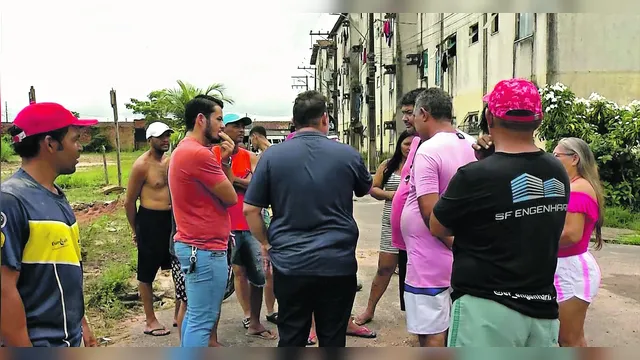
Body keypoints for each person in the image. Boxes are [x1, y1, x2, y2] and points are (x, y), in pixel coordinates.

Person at [429, 78, 570, 347]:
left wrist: (485, 164)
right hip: (542, 309)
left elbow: (438, 226)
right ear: (538, 120)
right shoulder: (557, 170)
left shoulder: (474, 176)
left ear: (489, 117)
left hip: (486, 309)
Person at [243, 90, 373, 347]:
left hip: (290, 265)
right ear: (325, 119)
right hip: (337, 264)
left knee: (291, 336)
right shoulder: (347, 154)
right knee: (333, 338)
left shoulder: (272, 156)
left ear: (294, 121)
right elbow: (365, 188)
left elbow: (250, 209)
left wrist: (267, 244)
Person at [0, 102, 97, 347]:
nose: (80, 147)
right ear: (51, 144)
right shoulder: (11, 201)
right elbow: (3, 289)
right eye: (75, 139)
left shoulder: (56, 195)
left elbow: (66, 271)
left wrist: (82, 324)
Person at [399, 88, 477, 347]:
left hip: (430, 259)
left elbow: (431, 214)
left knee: (432, 331)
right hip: (462, 256)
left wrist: (458, 245)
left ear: (424, 113)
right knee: (457, 326)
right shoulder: (470, 142)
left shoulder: (429, 150)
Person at [168, 94, 238, 347]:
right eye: (218, 119)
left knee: (196, 315)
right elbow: (230, 197)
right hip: (205, 248)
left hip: (196, 245)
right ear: (201, 119)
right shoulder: (199, 154)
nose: (222, 126)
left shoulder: (183, 151)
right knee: (202, 319)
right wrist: (227, 162)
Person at [212, 113, 277, 340]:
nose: (241, 130)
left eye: (243, 126)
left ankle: (256, 321)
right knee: (234, 274)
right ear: (223, 129)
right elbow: (218, 187)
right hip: (223, 225)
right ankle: (247, 315)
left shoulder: (251, 156)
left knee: (259, 274)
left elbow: (258, 187)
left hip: (250, 224)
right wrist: (242, 181)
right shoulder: (212, 155)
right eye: (235, 126)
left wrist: (232, 180)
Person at [354, 130, 416, 326]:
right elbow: (373, 189)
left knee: (416, 272)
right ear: (399, 144)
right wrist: (394, 196)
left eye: (413, 144)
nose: (409, 148)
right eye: (406, 143)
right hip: (391, 224)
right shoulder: (388, 165)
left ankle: (416, 316)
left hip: (417, 227)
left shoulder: (423, 162)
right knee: (385, 268)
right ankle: (369, 310)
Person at [124, 121, 174, 337]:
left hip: (171, 220)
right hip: (150, 221)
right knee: (146, 273)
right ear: (150, 139)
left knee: (178, 266)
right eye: (161, 136)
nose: (165, 140)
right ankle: (150, 320)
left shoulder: (170, 162)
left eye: (167, 136)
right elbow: (129, 202)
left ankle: (178, 315)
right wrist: (136, 230)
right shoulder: (141, 165)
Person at [553, 137, 604, 347]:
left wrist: (533, 240)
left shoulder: (578, 189)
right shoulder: (573, 186)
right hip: (565, 268)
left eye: (557, 156)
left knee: (569, 339)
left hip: (572, 271)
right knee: (568, 337)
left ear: (574, 159)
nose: (553, 160)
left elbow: (571, 235)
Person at [389, 88, 426, 315]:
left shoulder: (430, 146)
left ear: (424, 112)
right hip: (406, 240)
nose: (404, 118)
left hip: (423, 240)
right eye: (403, 113)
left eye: (409, 112)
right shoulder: (416, 144)